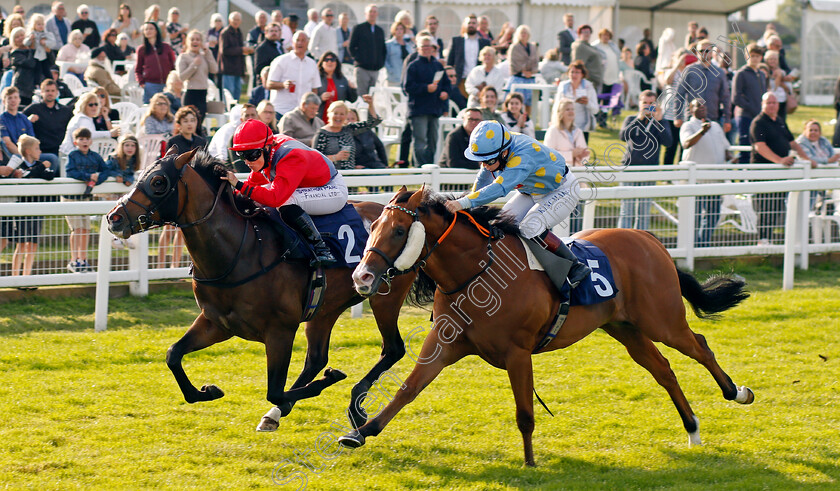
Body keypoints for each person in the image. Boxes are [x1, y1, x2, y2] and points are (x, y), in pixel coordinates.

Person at [444, 120, 590, 287]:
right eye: (481, 161)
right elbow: (483, 178)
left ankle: (575, 267)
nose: (485, 165)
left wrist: (463, 203)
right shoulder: (496, 150)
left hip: (562, 190)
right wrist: (470, 207)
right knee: (501, 225)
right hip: (533, 191)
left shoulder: (521, 156)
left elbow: (499, 188)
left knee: (530, 228)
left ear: (504, 153)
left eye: (489, 161)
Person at [221, 119, 349, 266]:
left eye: (251, 155)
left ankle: (322, 249)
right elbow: (252, 183)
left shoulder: (290, 157)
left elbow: (275, 198)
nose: (247, 161)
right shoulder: (268, 152)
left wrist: (238, 184)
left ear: (267, 148)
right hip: (309, 185)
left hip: (332, 188)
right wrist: (233, 197)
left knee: (284, 202)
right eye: (241, 155)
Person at [750, 92, 811, 245]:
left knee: (776, 207)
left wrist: (808, 159)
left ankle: (769, 239)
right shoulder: (758, 123)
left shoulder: (780, 121)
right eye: (768, 102)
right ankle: (762, 240)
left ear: (778, 105)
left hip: (779, 174)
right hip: (763, 173)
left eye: (774, 102)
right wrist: (779, 161)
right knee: (765, 208)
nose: (772, 105)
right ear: (762, 104)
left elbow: (793, 143)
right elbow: (760, 147)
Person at [617, 90, 672, 231]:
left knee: (644, 211)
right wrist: (638, 119)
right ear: (639, 104)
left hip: (649, 170)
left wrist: (658, 121)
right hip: (629, 169)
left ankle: (640, 241)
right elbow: (623, 136)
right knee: (626, 209)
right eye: (645, 103)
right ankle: (623, 238)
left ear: (656, 105)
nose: (648, 106)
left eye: (651, 103)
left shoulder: (661, 121)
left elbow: (668, 142)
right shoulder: (631, 119)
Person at [680, 99, 732, 247]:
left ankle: (703, 244)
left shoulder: (715, 126)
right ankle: (691, 245)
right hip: (697, 181)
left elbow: (725, 147)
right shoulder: (688, 125)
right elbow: (686, 143)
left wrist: (731, 158)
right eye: (698, 106)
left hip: (716, 180)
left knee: (713, 215)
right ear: (691, 109)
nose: (702, 108)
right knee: (695, 216)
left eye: (704, 105)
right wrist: (701, 131)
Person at [64, 127, 116, 272]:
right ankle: (74, 260)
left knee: (86, 229)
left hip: (86, 198)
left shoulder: (95, 156)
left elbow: (106, 170)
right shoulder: (72, 155)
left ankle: (83, 259)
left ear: (91, 141)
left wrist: (98, 179)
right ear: (76, 142)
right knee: (77, 228)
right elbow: (70, 172)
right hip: (71, 198)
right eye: (81, 139)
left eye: (86, 139)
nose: (84, 141)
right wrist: (88, 176)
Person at [8, 135, 53, 281]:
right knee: (21, 244)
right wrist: (41, 168)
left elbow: (49, 176)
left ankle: (26, 277)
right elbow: (27, 175)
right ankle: (15, 277)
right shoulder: (19, 165)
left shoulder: (39, 165)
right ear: (28, 151)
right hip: (22, 209)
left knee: (33, 244)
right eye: (36, 148)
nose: (39, 151)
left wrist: (43, 170)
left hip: (37, 208)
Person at [404, 35, 450, 166]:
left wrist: (445, 93)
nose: (426, 49)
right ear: (418, 48)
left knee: (433, 141)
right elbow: (408, 87)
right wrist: (425, 88)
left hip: (434, 109)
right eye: (423, 46)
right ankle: (420, 167)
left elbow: (446, 84)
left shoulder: (438, 65)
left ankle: (429, 167)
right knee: (420, 141)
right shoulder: (413, 66)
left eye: (429, 46)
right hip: (418, 109)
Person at [545, 97, 589, 233]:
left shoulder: (578, 131)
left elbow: (585, 154)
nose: (571, 112)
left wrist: (583, 155)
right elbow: (548, 155)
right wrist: (571, 154)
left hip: (577, 178)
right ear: (560, 112)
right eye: (567, 109)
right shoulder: (553, 131)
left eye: (572, 109)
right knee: (558, 216)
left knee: (577, 216)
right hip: (559, 181)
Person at [675, 40, 730, 134]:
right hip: (691, 119)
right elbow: (679, 94)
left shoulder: (719, 73)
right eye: (701, 50)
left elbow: (725, 98)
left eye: (707, 50)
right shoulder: (689, 70)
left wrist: (727, 119)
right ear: (696, 52)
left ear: (712, 52)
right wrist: (678, 116)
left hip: (712, 119)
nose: (704, 53)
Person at [313, 95, 380, 170]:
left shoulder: (348, 129)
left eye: (342, 114)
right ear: (329, 114)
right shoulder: (322, 133)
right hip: (330, 175)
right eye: (335, 113)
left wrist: (370, 104)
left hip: (349, 174)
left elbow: (372, 123)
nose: (338, 116)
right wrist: (335, 157)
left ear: (345, 116)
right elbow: (315, 159)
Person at [267, 31, 321, 118]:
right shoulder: (281, 60)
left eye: (303, 40)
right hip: (281, 111)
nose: (300, 43)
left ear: (307, 43)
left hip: (302, 113)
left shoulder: (312, 64)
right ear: (292, 42)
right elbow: (269, 84)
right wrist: (283, 84)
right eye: (297, 40)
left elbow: (314, 89)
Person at [24, 79, 73, 168]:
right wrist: (28, 120)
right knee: (53, 159)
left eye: (53, 91)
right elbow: (21, 124)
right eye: (47, 91)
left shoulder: (65, 111)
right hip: (41, 152)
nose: (50, 93)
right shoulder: (33, 109)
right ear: (42, 92)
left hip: (61, 151)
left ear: (57, 92)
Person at [732, 43, 766, 163]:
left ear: (761, 57)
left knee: (758, 145)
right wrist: (752, 108)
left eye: (757, 56)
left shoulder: (761, 74)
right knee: (745, 146)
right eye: (752, 55)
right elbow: (736, 98)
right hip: (745, 116)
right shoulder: (741, 73)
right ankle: (742, 176)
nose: (755, 58)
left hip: (759, 116)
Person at [177, 30, 218, 123]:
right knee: (189, 122)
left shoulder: (204, 56)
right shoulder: (184, 57)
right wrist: (194, 65)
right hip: (190, 92)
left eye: (198, 40)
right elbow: (182, 77)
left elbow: (214, 70)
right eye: (192, 39)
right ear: (188, 42)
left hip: (203, 93)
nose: (195, 42)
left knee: (199, 122)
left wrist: (208, 53)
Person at [555, 60, 598, 143]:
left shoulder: (588, 87)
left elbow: (595, 110)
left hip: (582, 126)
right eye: (572, 72)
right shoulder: (563, 86)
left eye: (577, 72)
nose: (574, 75)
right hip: (565, 125)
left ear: (582, 74)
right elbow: (557, 105)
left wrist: (587, 103)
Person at [447, 15, 491, 93]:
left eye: (473, 23)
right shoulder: (456, 41)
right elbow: (449, 62)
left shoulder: (484, 42)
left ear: (477, 25)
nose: (471, 25)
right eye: (469, 23)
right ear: (464, 24)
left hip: (479, 82)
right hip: (461, 81)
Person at [349, 4, 387, 97]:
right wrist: (359, 59)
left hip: (375, 70)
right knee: (362, 96)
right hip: (362, 69)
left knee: (372, 97)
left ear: (377, 14)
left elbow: (383, 49)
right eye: (370, 11)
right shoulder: (359, 28)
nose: (372, 14)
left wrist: (380, 63)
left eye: (374, 12)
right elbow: (351, 47)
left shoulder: (379, 30)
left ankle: (370, 112)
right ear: (366, 14)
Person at [135, 22, 176, 104]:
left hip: (167, 85)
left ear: (156, 31)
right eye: (146, 29)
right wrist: (142, 83)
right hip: (150, 85)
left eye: (151, 29)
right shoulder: (142, 49)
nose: (148, 31)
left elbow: (173, 66)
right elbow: (138, 70)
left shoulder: (166, 47)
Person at [219, 12, 255, 104]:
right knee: (229, 94)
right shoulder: (225, 33)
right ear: (229, 20)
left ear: (241, 21)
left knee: (237, 94)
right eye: (234, 19)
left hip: (237, 69)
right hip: (228, 69)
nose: (236, 22)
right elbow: (224, 50)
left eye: (238, 20)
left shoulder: (239, 32)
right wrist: (241, 49)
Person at [505, 25, 539, 112]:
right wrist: (523, 71)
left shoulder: (532, 47)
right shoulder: (514, 47)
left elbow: (536, 61)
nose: (523, 35)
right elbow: (513, 62)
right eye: (522, 33)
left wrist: (531, 72)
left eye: (525, 33)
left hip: (530, 78)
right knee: (514, 101)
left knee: (529, 102)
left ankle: (527, 120)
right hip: (518, 77)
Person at [315, 51, 357, 121]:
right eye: (326, 60)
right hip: (320, 118)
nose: (329, 62)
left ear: (337, 63)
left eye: (332, 60)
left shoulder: (342, 79)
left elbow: (352, 99)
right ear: (322, 63)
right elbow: (310, 99)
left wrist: (352, 89)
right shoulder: (316, 78)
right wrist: (320, 98)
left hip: (338, 120)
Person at [1, 87, 37, 163]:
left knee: (52, 158)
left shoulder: (24, 118)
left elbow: (32, 140)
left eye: (15, 97)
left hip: (28, 154)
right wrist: (25, 157)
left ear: (19, 100)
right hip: (12, 155)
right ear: (4, 101)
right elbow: (7, 143)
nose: (13, 100)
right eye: (9, 98)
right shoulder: (2, 120)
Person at [9, 27, 39, 106]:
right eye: (17, 37)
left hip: (34, 88)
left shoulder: (33, 50)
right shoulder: (15, 54)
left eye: (22, 35)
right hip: (22, 89)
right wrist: (30, 49)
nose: (20, 38)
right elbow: (30, 63)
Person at [26, 14, 58, 82]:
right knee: (37, 72)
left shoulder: (47, 34)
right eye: (38, 24)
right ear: (34, 25)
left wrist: (45, 42)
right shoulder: (31, 34)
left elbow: (53, 43)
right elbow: (25, 43)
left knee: (47, 72)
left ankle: (51, 82)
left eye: (42, 24)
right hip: (34, 57)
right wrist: (30, 39)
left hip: (44, 57)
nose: (41, 26)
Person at [385, 22, 415, 86]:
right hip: (394, 78)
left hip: (407, 78)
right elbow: (385, 60)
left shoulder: (408, 45)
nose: (399, 31)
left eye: (401, 29)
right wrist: (390, 71)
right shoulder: (388, 45)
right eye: (397, 29)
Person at [594, 28, 621, 98]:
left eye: (608, 35)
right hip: (603, 75)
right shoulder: (596, 46)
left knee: (611, 96)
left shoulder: (613, 46)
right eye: (604, 35)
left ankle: (608, 108)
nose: (606, 37)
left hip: (613, 74)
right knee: (601, 94)